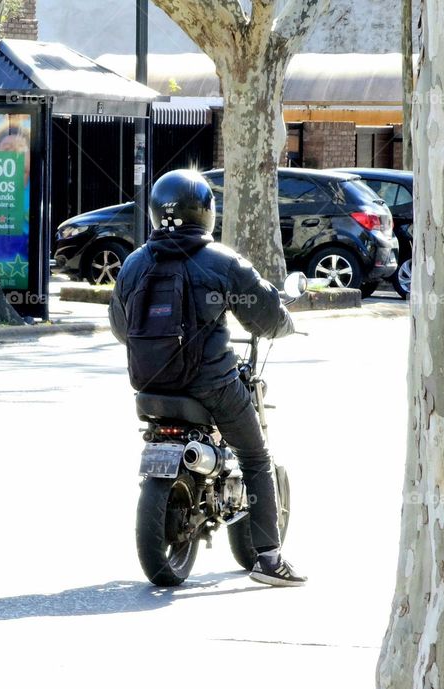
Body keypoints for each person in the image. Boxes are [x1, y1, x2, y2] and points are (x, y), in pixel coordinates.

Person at [109, 169, 307, 587]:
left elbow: (120, 327)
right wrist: (286, 323)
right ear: (205, 212)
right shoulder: (221, 261)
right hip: (211, 385)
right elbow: (267, 317)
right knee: (256, 457)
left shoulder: (133, 264)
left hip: (150, 389)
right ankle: (270, 560)